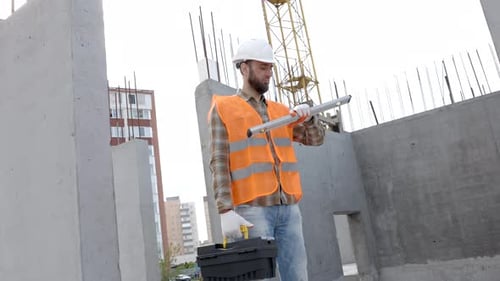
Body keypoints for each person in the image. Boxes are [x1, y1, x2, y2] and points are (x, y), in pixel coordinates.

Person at [208, 38, 325, 281]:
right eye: (263, 67)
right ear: (244, 68)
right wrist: (225, 209)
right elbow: (219, 161)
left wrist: (309, 116)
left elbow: (315, 139)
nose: (269, 74)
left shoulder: (281, 112)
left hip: (289, 208)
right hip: (253, 211)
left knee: (297, 277)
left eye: (270, 68)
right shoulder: (224, 108)